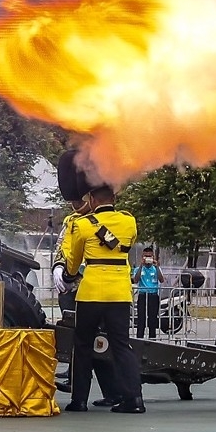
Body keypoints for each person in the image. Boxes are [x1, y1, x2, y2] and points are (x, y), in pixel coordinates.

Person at [57, 153, 145, 414]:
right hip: (119, 293)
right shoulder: (129, 221)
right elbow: (127, 243)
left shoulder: (82, 225)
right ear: (114, 199)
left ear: (92, 200)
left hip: (92, 292)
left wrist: (68, 274)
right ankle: (134, 400)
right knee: (122, 346)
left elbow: (72, 263)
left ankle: (79, 400)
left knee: (83, 346)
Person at [131, 245, 166, 339]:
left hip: (153, 295)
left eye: (150, 256)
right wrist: (141, 265)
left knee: (152, 319)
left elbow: (161, 280)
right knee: (141, 319)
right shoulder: (138, 268)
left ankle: (152, 339)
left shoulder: (156, 268)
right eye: (146, 256)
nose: (148, 258)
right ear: (142, 257)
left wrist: (157, 266)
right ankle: (139, 339)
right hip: (142, 295)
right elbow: (136, 280)